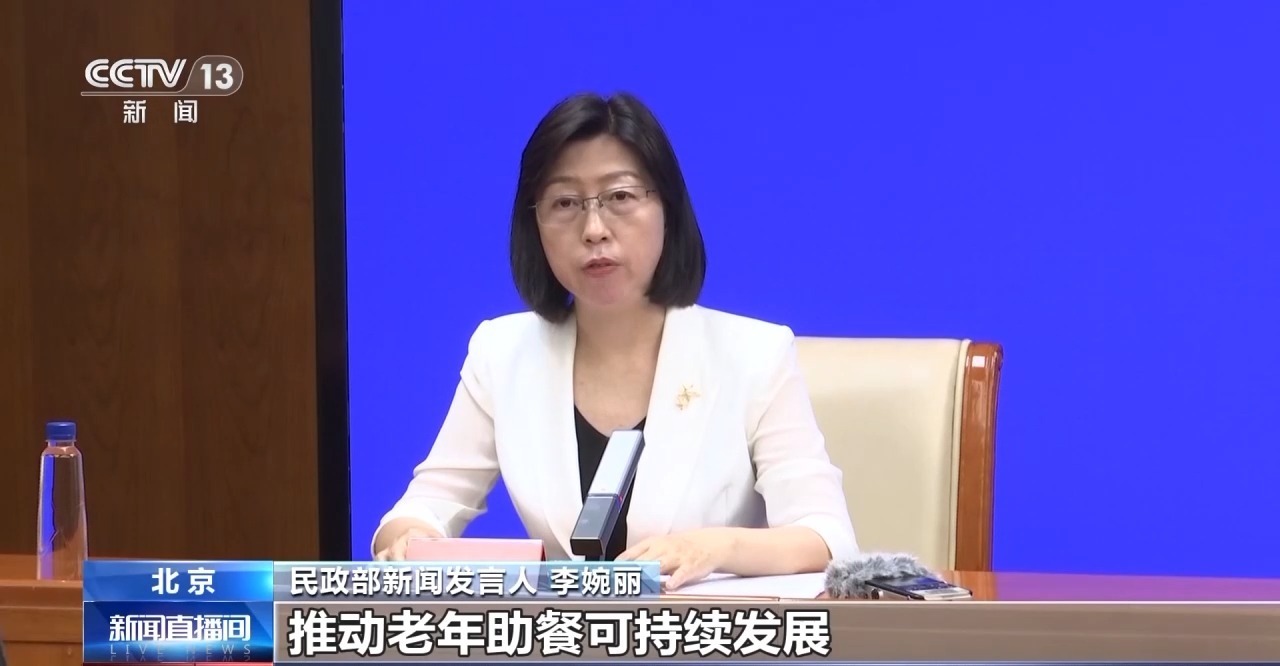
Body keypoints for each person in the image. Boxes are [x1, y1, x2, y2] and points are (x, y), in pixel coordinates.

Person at [374, 91, 857, 590]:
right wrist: (409, 538)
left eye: (620, 197)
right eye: (565, 203)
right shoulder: (502, 353)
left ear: (667, 208)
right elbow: (426, 505)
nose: (594, 230)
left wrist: (712, 548)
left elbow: (826, 537)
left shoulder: (754, 354)